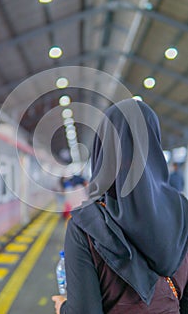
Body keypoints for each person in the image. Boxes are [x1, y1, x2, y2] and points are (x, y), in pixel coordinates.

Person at [52, 99, 188, 313]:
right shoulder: (182, 213)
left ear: (103, 151)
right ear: (153, 144)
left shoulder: (85, 226)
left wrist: (63, 308)